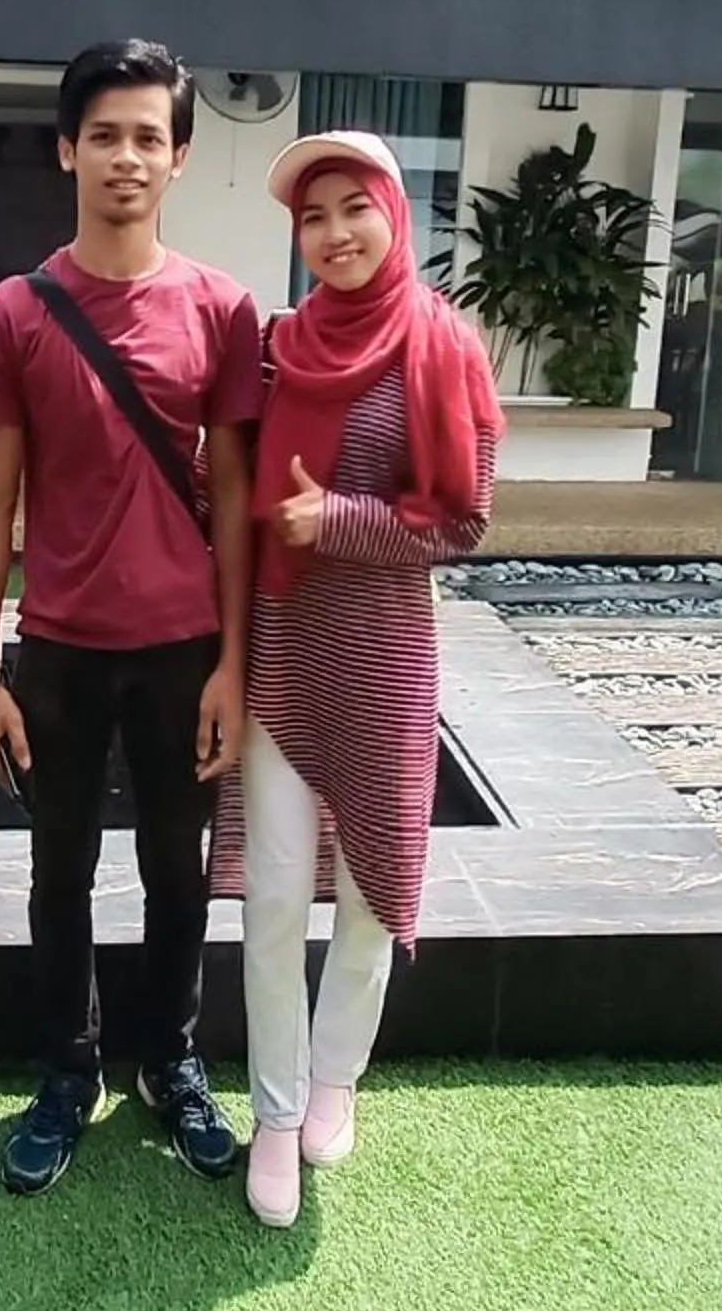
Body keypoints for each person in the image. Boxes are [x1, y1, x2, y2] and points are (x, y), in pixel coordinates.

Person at [0, 39, 264, 1196]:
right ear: (65, 149)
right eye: (104, 134)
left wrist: (235, 660)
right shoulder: (13, 315)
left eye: (148, 137)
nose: (125, 156)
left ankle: (170, 1060)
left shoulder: (222, 311)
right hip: (65, 651)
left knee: (178, 873)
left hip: (184, 648)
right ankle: (66, 1071)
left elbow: (233, 494)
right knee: (60, 871)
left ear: (179, 158)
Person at [209, 131, 502, 1229]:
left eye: (352, 209)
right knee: (277, 891)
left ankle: (338, 1079)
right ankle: (275, 1110)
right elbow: (222, 472)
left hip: (381, 647)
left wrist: (332, 520)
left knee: (377, 884)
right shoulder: (278, 348)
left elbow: (464, 518)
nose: (333, 234)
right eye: (313, 216)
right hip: (284, 641)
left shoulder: (443, 346)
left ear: (393, 213)